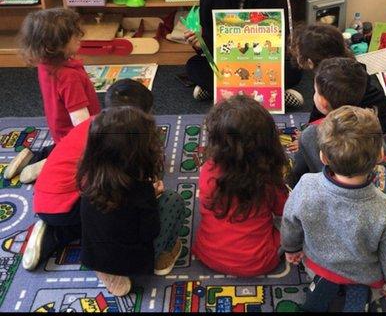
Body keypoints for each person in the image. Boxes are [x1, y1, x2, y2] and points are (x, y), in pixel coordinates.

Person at [22, 79, 157, 276]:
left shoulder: (94, 123)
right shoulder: (118, 141)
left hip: (45, 196)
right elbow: (126, 180)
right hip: (63, 207)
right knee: (117, 214)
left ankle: (56, 227)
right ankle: (57, 235)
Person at [281, 106, 386, 312]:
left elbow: (290, 222)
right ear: (380, 155)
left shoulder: (305, 185)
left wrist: (291, 248)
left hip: (317, 266)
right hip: (366, 279)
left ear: (323, 157)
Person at [184, 0, 303, 107]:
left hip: (263, 64)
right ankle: (269, 94)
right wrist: (198, 41)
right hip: (226, 64)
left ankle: (219, 91)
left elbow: (287, 44)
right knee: (194, 65)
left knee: (294, 69)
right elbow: (207, 50)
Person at [77, 106, 185, 296]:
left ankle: (106, 270)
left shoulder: (90, 180)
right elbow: (150, 232)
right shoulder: (140, 191)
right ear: (138, 154)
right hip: (133, 260)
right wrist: (153, 198)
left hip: (94, 254)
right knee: (173, 201)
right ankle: (162, 259)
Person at [192, 95, 289, 276]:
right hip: (260, 261)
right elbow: (285, 209)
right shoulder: (268, 180)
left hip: (207, 253)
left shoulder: (207, 169)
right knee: (293, 227)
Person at [4, 8, 101, 184]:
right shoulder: (69, 77)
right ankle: (46, 165)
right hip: (74, 137)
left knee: (60, 146)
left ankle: (32, 157)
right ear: (54, 46)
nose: (79, 37)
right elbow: (81, 124)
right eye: (74, 36)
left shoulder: (45, 64)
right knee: (99, 156)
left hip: (60, 132)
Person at [291, 23, 386, 135]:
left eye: (298, 54)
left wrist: (309, 135)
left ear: (310, 62)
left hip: (380, 131)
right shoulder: (349, 68)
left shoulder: (331, 82)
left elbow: (321, 112)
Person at [289, 57, 368, 185]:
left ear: (323, 103)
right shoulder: (370, 125)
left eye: (316, 91)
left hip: (326, 186)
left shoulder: (312, 133)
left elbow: (298, 172)